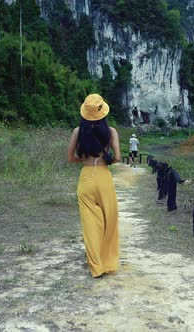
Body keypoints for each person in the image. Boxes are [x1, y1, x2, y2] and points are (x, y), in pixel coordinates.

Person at [66, 93, 121, 278]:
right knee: (109, 222)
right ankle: (108, 262)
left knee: (90, 224)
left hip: (86, 178)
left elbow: (70, 158)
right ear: (103, 112)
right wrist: (106, 159)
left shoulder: (77, 132)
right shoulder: (111, 132)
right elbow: (118, 158)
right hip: (104, 178)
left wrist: (83, 159)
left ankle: (96, 267)